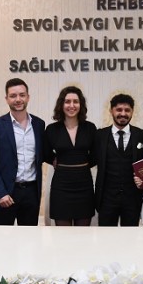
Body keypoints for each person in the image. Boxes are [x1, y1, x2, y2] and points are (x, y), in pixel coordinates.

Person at [0, 78, 45, 225]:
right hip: (5, 192)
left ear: (28, 97)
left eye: (22, 95)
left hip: (31, 192)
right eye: (13, 96)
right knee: (3, 237)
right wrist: (0, 192)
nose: (18, 99)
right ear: (6, 99)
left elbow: (43, 153)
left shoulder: (39, 124)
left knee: (29, 236)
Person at [43, 86, 97, 226]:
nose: (71, 105)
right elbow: (44, 153)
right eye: (67, 101)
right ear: (61, 105)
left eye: (75, 101)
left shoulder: (90, 128)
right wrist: (55, 160)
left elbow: (96, 155)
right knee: (62, 235)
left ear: (81, 105)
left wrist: (82, 163)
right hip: (61, 186)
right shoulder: (52, 129)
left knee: (83, 235)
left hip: (84, 185)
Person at [95, 93, 143, 226]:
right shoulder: (99, 135)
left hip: (133, 198)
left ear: (132, 112)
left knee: (131, 237)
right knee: (106, 236)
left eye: (127, 110)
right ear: (111, 111)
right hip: (106, 198)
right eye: (119, 110)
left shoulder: (142, 135)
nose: (123, 114)